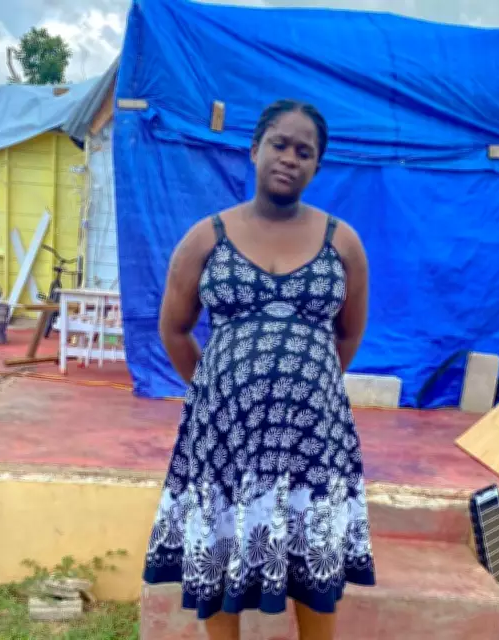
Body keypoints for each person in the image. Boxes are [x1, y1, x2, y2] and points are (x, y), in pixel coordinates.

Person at [143, 99, 376, 640]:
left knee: (313, 557)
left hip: (311, 436)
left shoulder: (342, 242)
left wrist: (307, 388)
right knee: (219, 548)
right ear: (255, 150)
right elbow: (174, 329)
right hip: (225, 432)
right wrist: (218, 391)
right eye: (279, 144)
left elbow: (347, 335)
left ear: (317, 166)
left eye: (304, 151)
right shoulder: (206, 237)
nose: (290, 158)